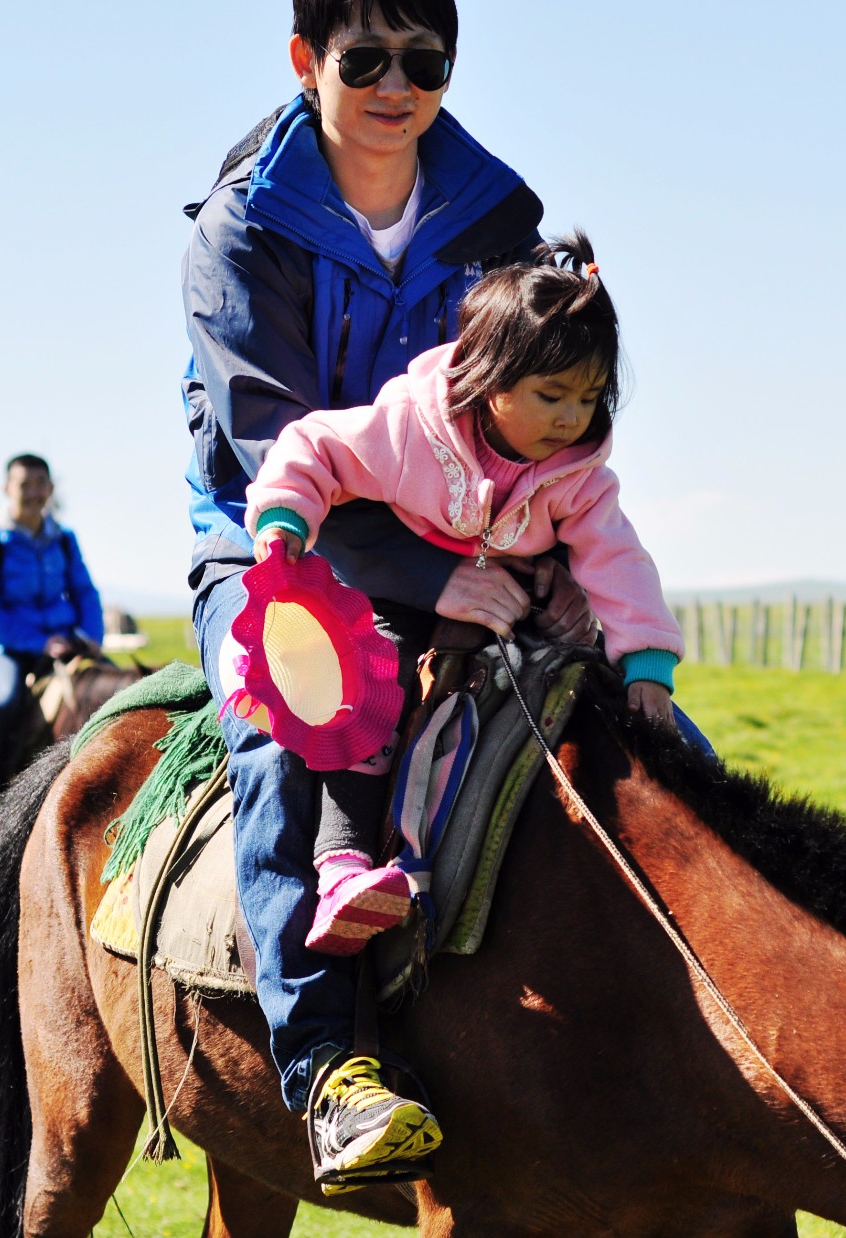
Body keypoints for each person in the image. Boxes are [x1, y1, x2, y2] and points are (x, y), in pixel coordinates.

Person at [181, 0, 600, 1188]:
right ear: (306, 60)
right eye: (362, 57)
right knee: (284, 722)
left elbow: (540, 402)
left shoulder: (502, 218)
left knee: (627, 709)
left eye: (424, 60)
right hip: (276, 546)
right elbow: (274, 449)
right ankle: (324, 1075)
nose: (393, 84)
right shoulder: (235, 233)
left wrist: (545, 549)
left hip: (481, 539)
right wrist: (433, 578)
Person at [245, 232, 681, 964]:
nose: (571, 419)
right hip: (405, 595)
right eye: (551, 396)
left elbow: (618, 560)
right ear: (493, 377)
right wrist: (285, 519)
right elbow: (315, 447)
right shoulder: (410, 430)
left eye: (587, 397)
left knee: (628, 726)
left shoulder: (576, 475)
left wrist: (647, 665)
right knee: (367, 695)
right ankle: (342, 866)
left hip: (513, 607)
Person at [0, 452, 104, 832]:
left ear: (51, 489)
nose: (34, 493)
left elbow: (85, 592)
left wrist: (89, 637)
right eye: (25, 485)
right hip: (10, 646)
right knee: (7, 703)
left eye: (41, 484)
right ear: (7, 488)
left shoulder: (65, 540)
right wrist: (40, 643)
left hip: (65, 640)